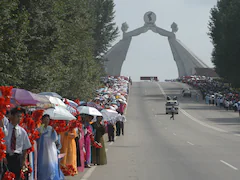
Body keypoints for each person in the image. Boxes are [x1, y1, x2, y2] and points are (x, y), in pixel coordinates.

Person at [3, 107, 32, 180]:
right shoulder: (5, 129)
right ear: (12, 116)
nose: (19, 118)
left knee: (17, 177)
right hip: (6, 157)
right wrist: (3, 157)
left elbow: (25, 148)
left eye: (21, 117)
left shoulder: (22, 131)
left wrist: (23, 161)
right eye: (17, 116)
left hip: (17, 158)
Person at [37, 114, 61, 180]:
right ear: (42, 120)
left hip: (51, 148)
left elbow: (55, 139)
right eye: (45, 119)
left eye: (48, 119)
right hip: (43, 148)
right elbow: (37, 138)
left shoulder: (51, 128)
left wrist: (53, 132)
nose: (46, 121)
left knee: (51, 162)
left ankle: (52, 177)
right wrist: (40, 135)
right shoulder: (40, 128)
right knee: (44, 162)